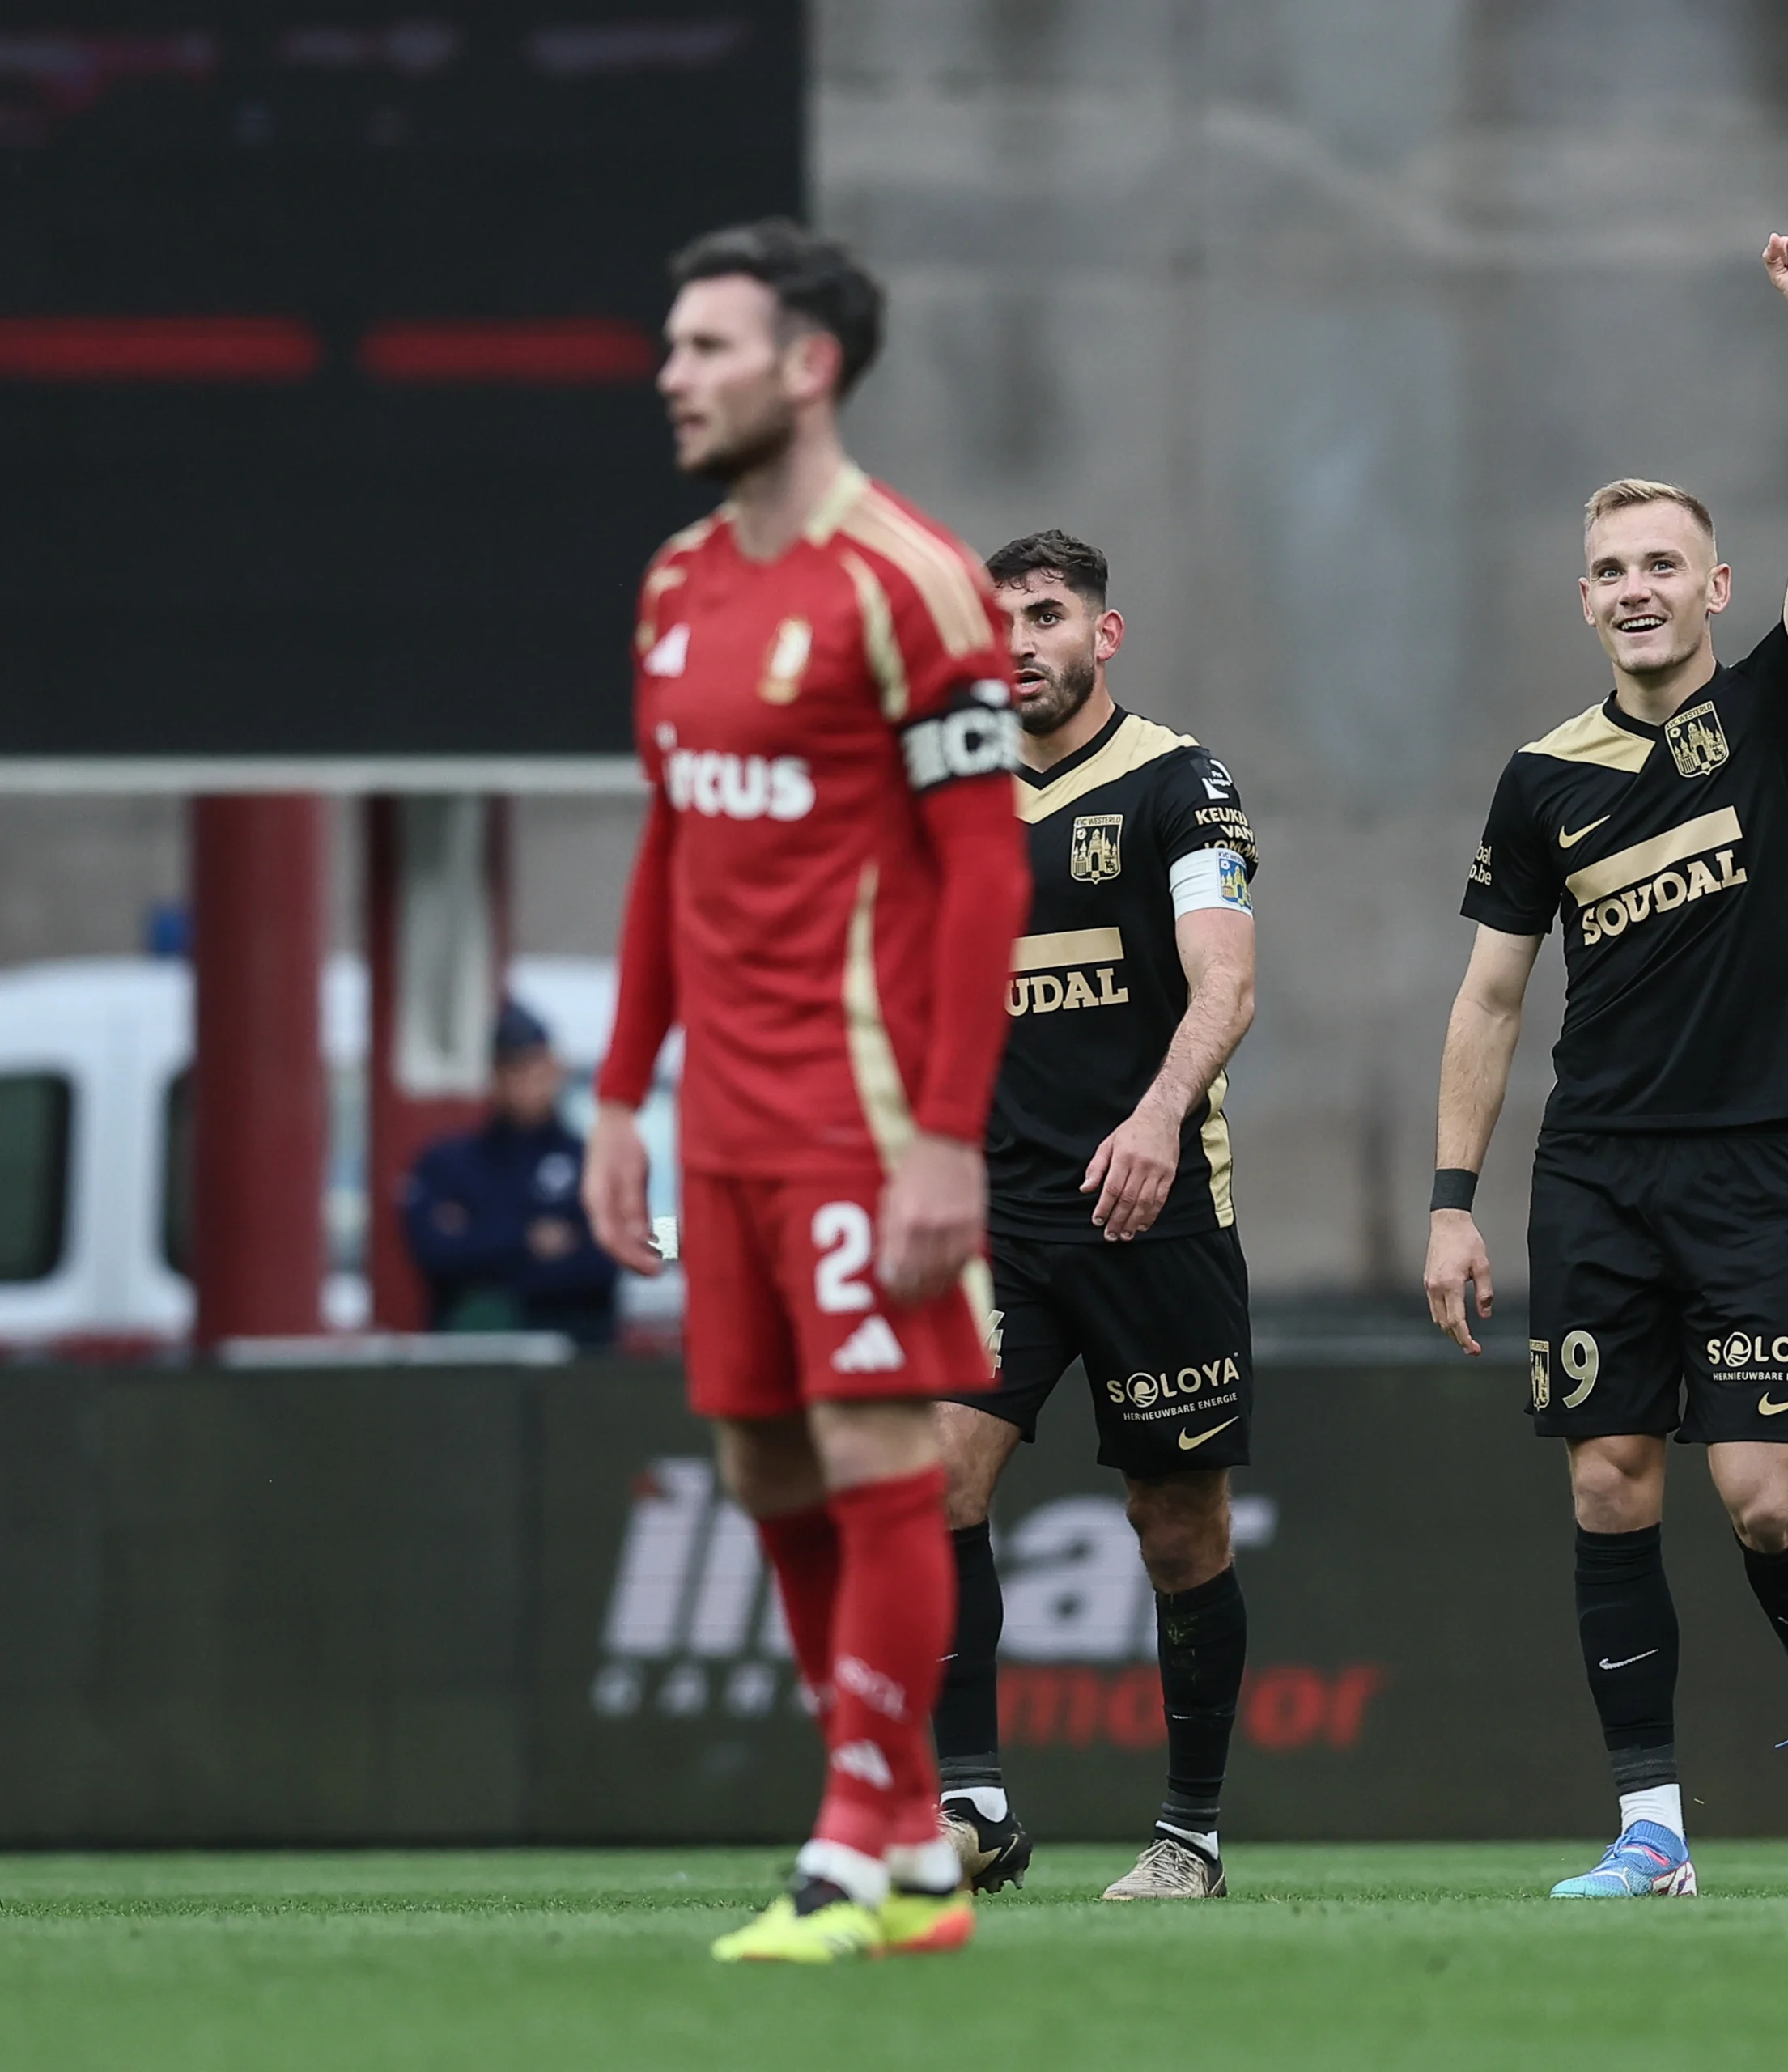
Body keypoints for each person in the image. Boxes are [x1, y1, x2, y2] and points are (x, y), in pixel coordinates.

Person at [580, 218, 1028, 1964]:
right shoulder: (679, 577)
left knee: (875, 1450)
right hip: (725, 1122)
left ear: (809, 365)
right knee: (764, 1463)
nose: (672, 374)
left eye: (706, 346)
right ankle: (915, 1845)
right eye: (673, 344)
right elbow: (671, 839)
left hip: (861, 1108)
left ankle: (851, 1842)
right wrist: (622, 1097)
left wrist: (941, 1132)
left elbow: (983, 871)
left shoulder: (912, 581)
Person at [1422, 235, 1788, 1899]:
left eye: (1660, 560)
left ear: (1716, 584)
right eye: (1608, 564)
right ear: (1586, 595)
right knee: (1613, 1485)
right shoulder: (1539, 776)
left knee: (1764, 1496)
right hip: (1597, 1169)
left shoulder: (1785, 706)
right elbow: (1487, 1001)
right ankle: (1653, 1830)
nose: (1632, 583)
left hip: (1761, 1156)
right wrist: (1452, 1201)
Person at [927, 530, 1261, 1904]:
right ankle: (971, 1806)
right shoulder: (942, 805)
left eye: (1047, 615)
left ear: (1102, 637)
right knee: (929, 1483)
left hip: (1154, 1211)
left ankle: (1189, 1834)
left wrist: (1156, 1112)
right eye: (996, 620)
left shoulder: (1184, 784)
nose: (1019, 643)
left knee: (1176, 1528)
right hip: (997, 1222)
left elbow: (1225, 984)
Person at [400, 1000, 619, 1346]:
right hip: (471, 1362)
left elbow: (618, 1254)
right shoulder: (448, 1162)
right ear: (494, 1076)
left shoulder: (593, 1160)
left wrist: (484, 1245)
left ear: (556, 1068)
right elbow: (434, 1253)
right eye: (513, 1069)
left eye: (535, 1065)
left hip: (577, 1358)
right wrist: (528, 1240)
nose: (527, 1081)